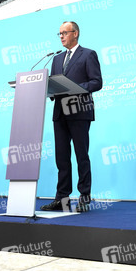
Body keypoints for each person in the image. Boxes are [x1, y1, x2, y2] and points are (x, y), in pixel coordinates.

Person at [40, 21, 102, 212]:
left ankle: (84, 197)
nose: (61, 37)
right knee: (62, 157)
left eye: (64, 33)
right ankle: (62, 199)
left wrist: (75, 89)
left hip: (79, 110)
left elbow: (96, 82)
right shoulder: (57, 59)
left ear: (75, 33)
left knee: (81, 155)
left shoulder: (88, 54)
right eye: (59, 34)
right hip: (60, 112)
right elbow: (55, 83)